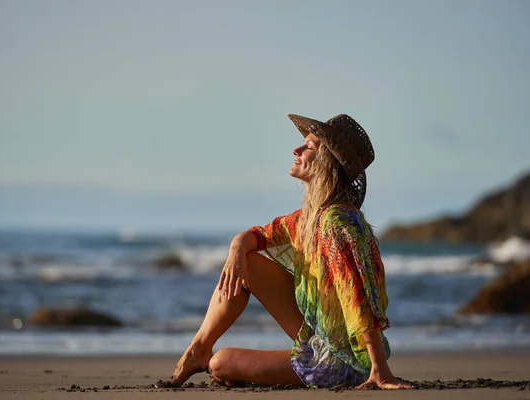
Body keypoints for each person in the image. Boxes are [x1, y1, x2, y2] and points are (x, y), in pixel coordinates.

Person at [156, 113, 412, 389]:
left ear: (327, 163)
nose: (297, 150)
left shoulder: (336, 222)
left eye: (310, 147)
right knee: (247, 262)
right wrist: (235, 252)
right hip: (323, 339)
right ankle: (197, 350)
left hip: (341, 364)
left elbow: (357, 295)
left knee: (220, 364)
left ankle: (209, 357)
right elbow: (255, 235)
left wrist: (379, 369)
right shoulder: (311, 217)